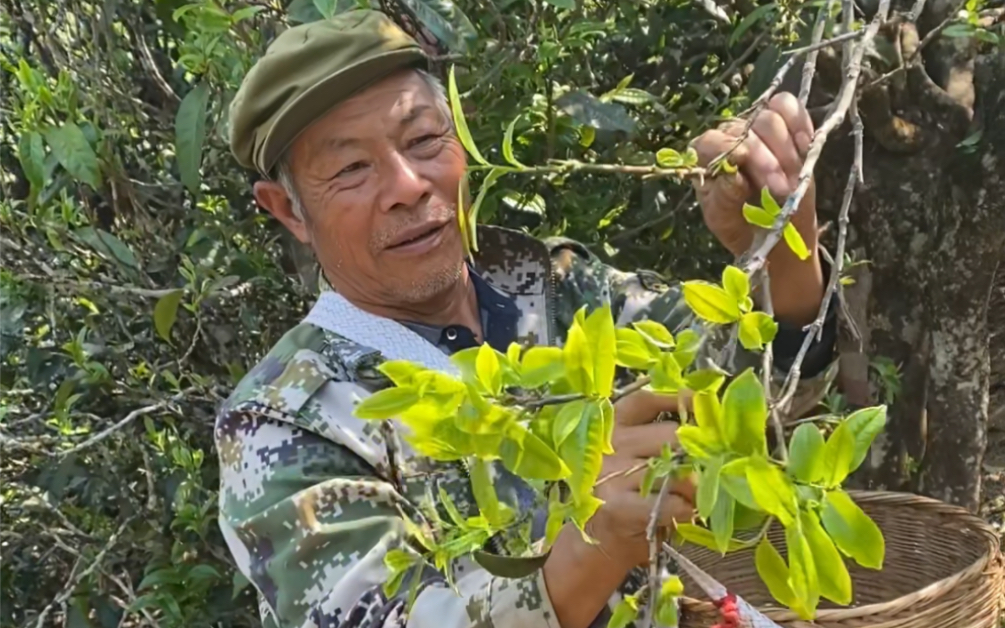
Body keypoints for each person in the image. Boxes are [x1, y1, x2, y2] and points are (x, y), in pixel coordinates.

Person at [218, 9, 839, 628]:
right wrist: (590, 537)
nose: (407, 185)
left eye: (423, 140)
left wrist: (783, 244)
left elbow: (759, 405)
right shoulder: (287, 419)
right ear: (289, 211)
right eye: (352, 168)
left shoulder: (558, 286)